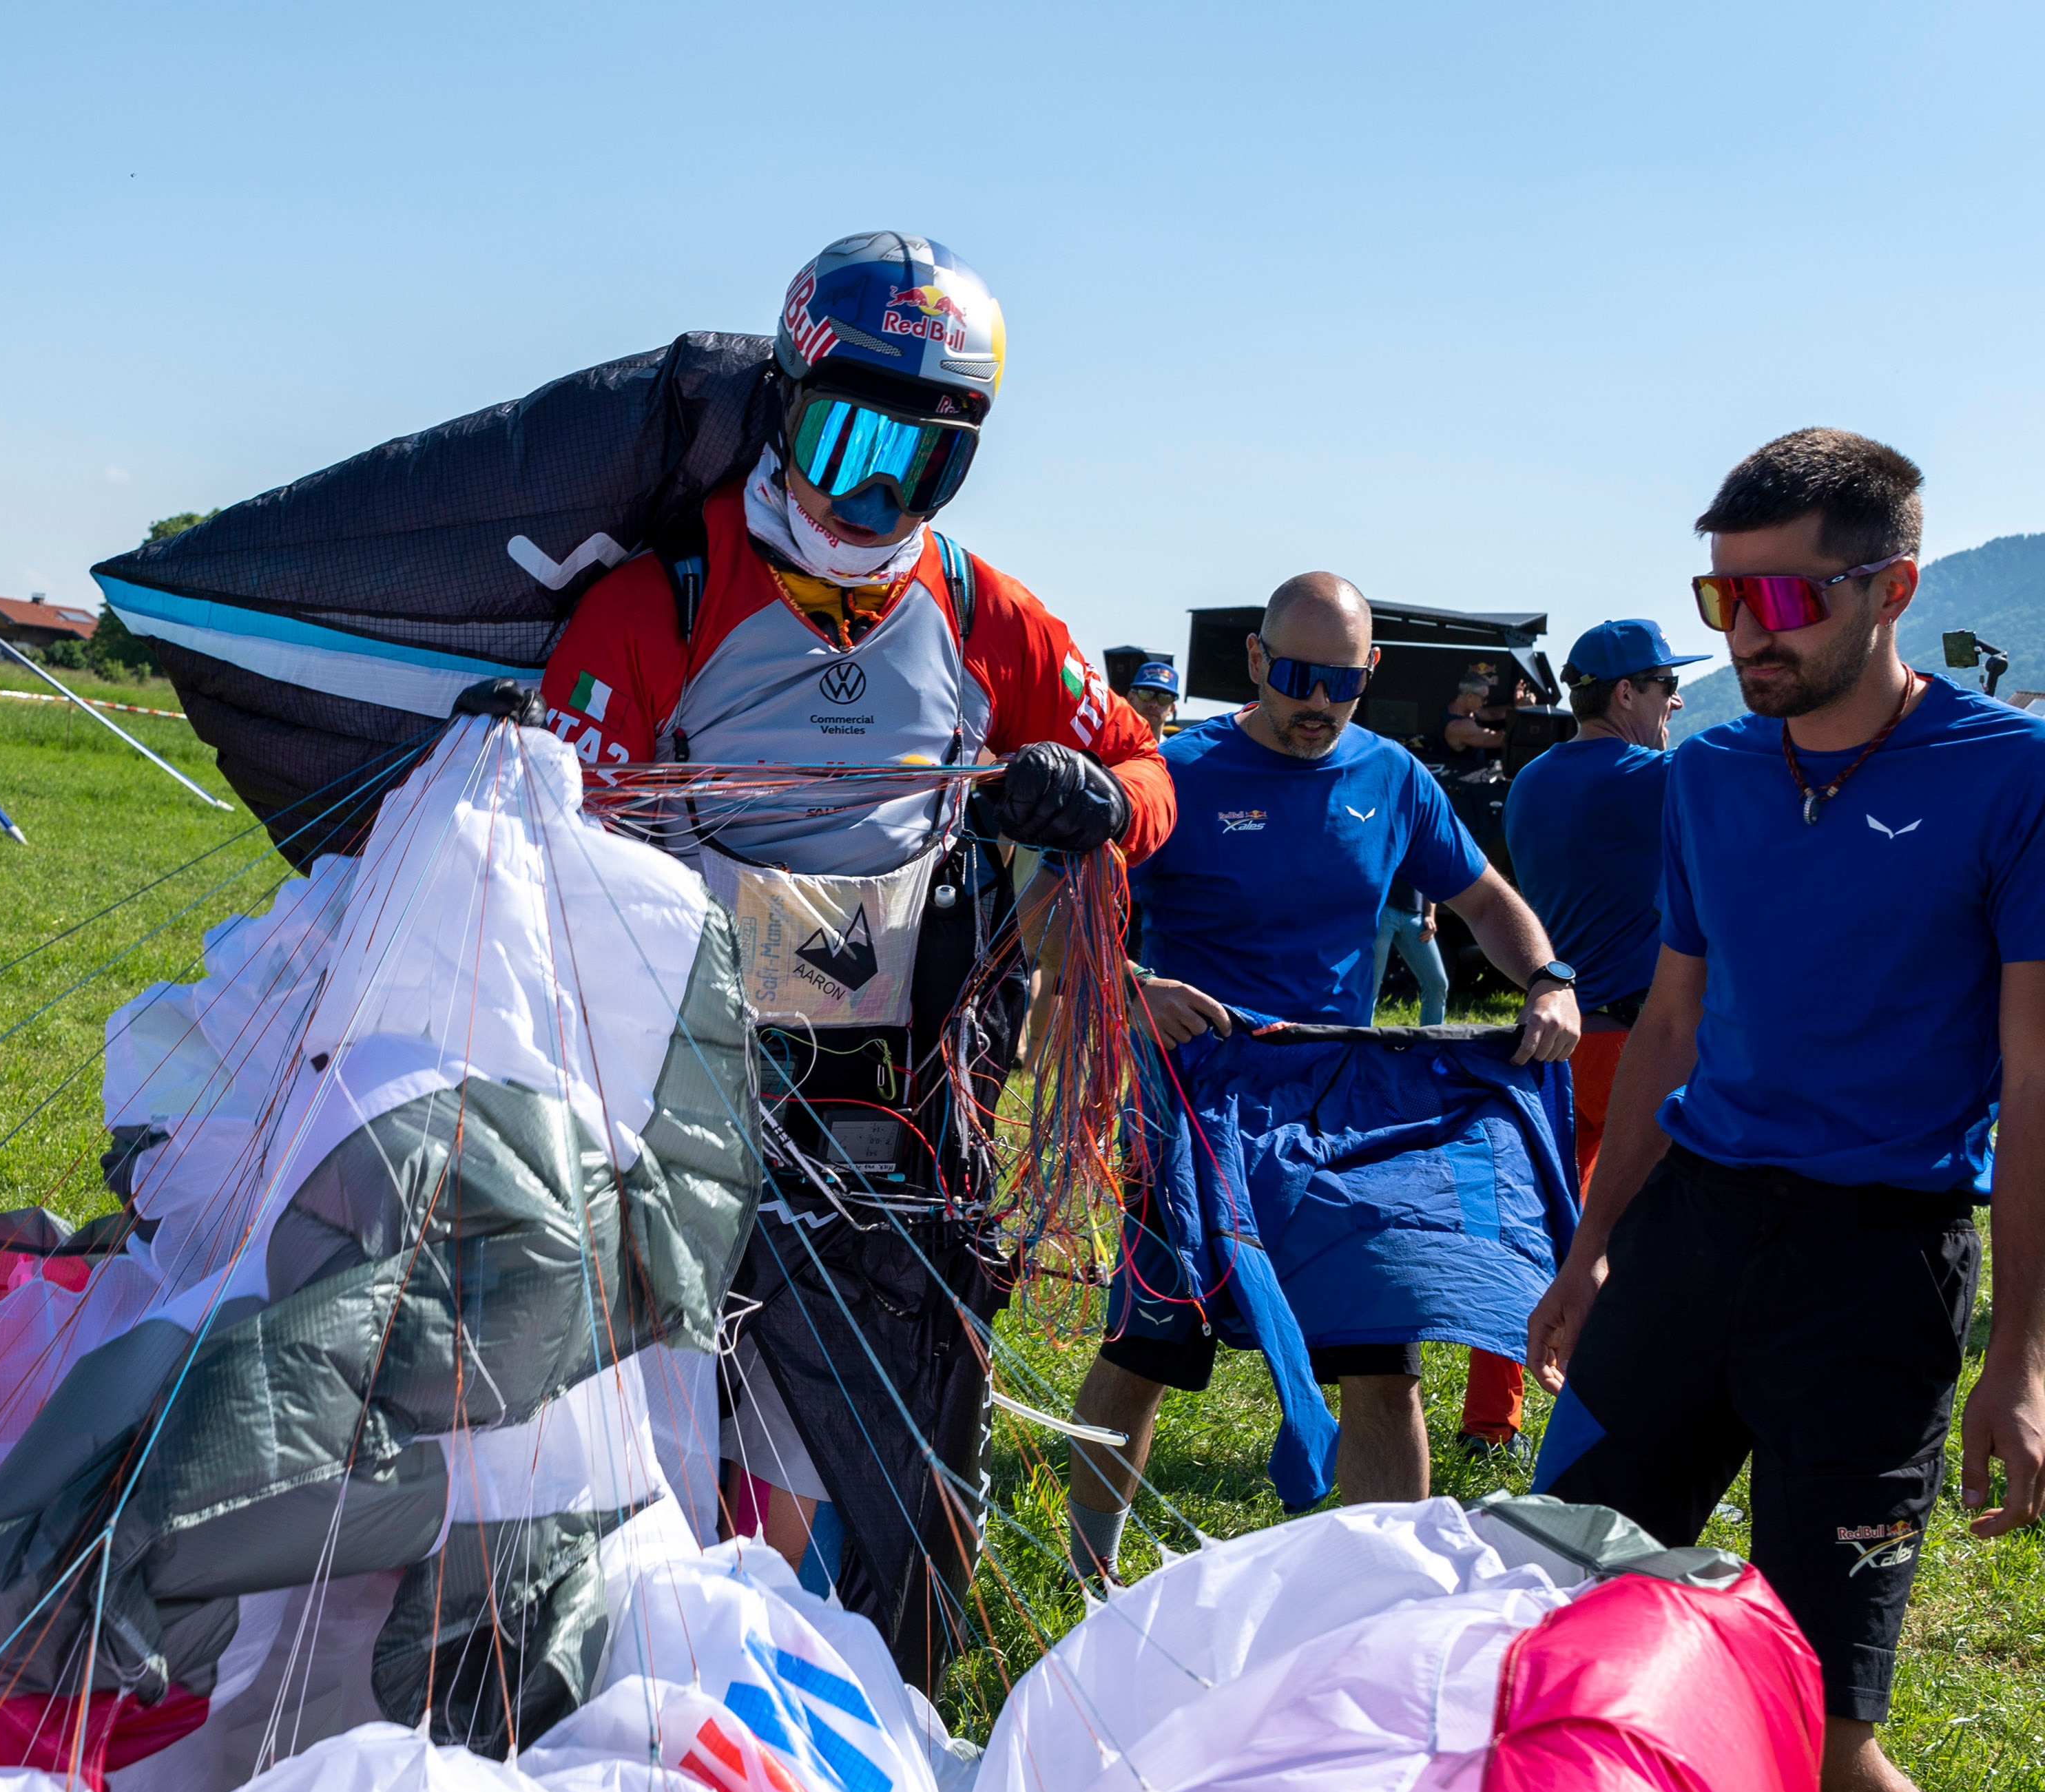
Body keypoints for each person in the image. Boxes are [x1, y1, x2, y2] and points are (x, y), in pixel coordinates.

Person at [538, 231, 1174, 1682]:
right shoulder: (662, 602)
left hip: (900, 1090)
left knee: (895, 1423)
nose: (868, 491)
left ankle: (870, 1694)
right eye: (842, 438)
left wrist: (1096, 802)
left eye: (921, 460)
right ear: (779, 405)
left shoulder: (979, 609)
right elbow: (551, 846)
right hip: (679, 1070)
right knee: (680, 1389)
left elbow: (1145, 775)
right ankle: (668, 1667)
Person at [1528, 430, 2044, 1792]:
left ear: (1890, 588)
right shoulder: (1704, 776)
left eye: (1777, 601)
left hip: (1876, 1266)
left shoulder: (2010, 774)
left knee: (1820, 1736)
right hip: (1690, 1233)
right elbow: (1673, 1033)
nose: (1741, 637)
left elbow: (2033, 1071)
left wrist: (2018, 1356)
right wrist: (1588, 1246)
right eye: (1719, 602)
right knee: (1550, 1626)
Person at [1063, 572, 1579, 1579]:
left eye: (1337, 682)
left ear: (1369, 675)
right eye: (1294, 675)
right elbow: (1064, 905)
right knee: (1150, 1346)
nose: (1314, 702)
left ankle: (1389, 1599)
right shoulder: (1177, 770)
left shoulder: (1393, 777)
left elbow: (1480, 897)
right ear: (1255, 661)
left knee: (1382, 1361)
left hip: (1342, 1113)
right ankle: (1090, 1579)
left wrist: (1550, 978)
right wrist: (1131, 986)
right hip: (1193, 1105)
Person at [1464, 618, 1705, 1457]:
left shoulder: (1532, 780)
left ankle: (1492, 1418)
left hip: (1558, 1042)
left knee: (1531, 1235)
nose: (1676, 697)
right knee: (1659, 1242)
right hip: (1640, 1048)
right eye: (1663, 683)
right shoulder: (1650, 778)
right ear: (1625, 692)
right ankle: (1622, 1415)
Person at [1367, 879, 1447, 1024]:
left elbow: (1429, 877)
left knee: (1437, 982)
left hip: (1414, 917)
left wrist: (1429, 914)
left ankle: (1431, 1042)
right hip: (1382, 912)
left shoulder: (1423, 856)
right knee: (1370, 985)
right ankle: (1360, 1042)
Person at [1437, 670, 1506, 768]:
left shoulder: (1461, 708)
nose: (1485, 703)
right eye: (1484, 699)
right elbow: (1497, 740)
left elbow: (1493, 714)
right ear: (1470, 696)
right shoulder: (1458, 727)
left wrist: (1519, 707)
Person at [1124, 659, 1180, 736]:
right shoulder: (1109, 746)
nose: (1154, 704)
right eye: (1146, 694)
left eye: (1164, 698)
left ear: (1172, 708)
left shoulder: (1176, 747)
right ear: (1131, 698)